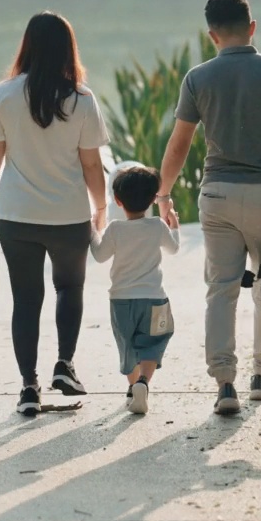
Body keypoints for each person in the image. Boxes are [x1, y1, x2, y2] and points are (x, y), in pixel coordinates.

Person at [156, 0, 261, 416]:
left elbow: (180, 143)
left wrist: (164, 193)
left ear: (212, 36)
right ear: (252, 28)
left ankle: (225, 384)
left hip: (219, 195)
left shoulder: (197, 77)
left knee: (220, 291)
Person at [0, 11, 110, 417]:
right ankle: (65, 366)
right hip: (68, 216)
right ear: (69, 48)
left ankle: (29, 386)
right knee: (69, 289)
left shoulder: (5, 94)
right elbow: (91, 164)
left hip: (17, 216)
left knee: (26, 300)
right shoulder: (82, 99)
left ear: (27, 45)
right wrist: (101, 206)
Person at [90, 166, 180, 415]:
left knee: (127, 345)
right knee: (154, 342)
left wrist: (93, 229)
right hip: (154, 299)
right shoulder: (156, 226)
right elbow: (173, 249)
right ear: (153, 199)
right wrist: (173, 226)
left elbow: (99, 255)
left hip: (121, 300)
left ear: (118, 202)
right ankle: (143, 384)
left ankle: (132, 388)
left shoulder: (116, 229)